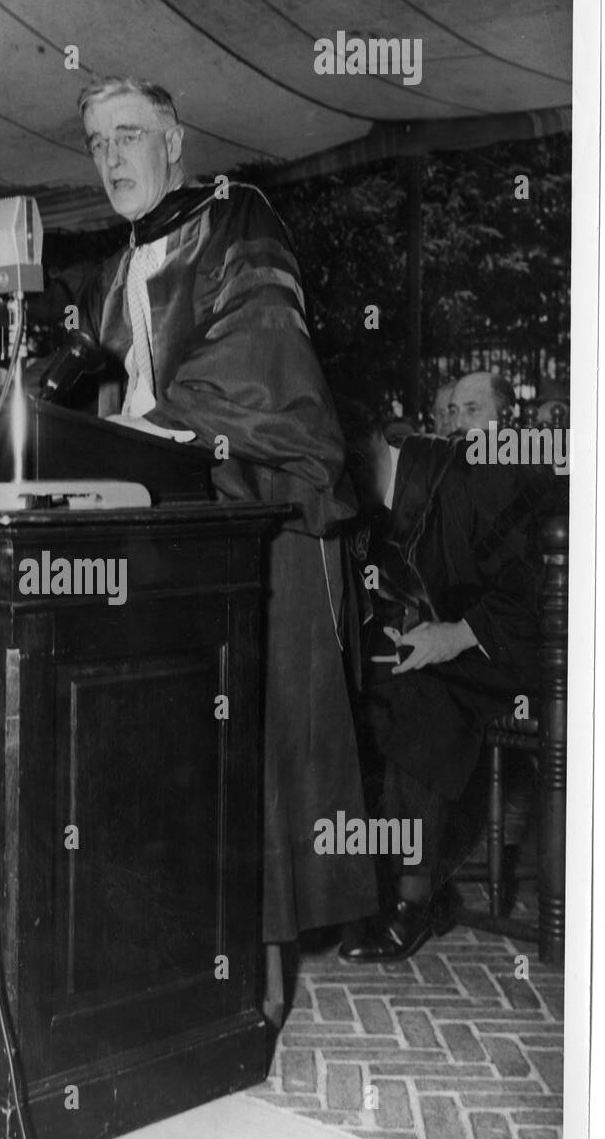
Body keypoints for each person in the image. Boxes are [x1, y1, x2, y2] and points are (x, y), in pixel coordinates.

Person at [74, 77, 378, 998]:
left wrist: (142, 429)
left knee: (258, 738)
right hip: (164, 519)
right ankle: (171, 957)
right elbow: (97, 391)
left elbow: (259, 353)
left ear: (175, 138)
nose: (113, 158)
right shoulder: (112, 265)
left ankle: (259, 986)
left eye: (130, 135)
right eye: (96, 144)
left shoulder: (234, 215)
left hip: (261, 513)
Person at [335, 402, 555, 960]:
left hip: (553, 645)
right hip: (493, 645)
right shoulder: (387, 507)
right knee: (380, 691)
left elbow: (542, 578)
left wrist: (456, 634)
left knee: (423, 692)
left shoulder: (472, 474)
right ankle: (403, 881)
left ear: (358, 445)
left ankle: (414, 902)